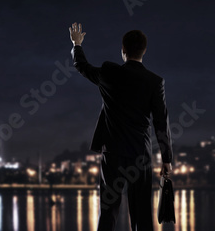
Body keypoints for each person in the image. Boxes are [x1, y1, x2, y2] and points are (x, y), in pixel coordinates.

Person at [68, 23, 172, 231]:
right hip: (140, 154)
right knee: (142, 215)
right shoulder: (155, 82)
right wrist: (167, 159)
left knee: (108, 212)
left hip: (113, 153)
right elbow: (161, 122)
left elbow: (82, 66)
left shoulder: (109, 73)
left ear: (123, 51)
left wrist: (77, 45)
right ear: (144, 51)